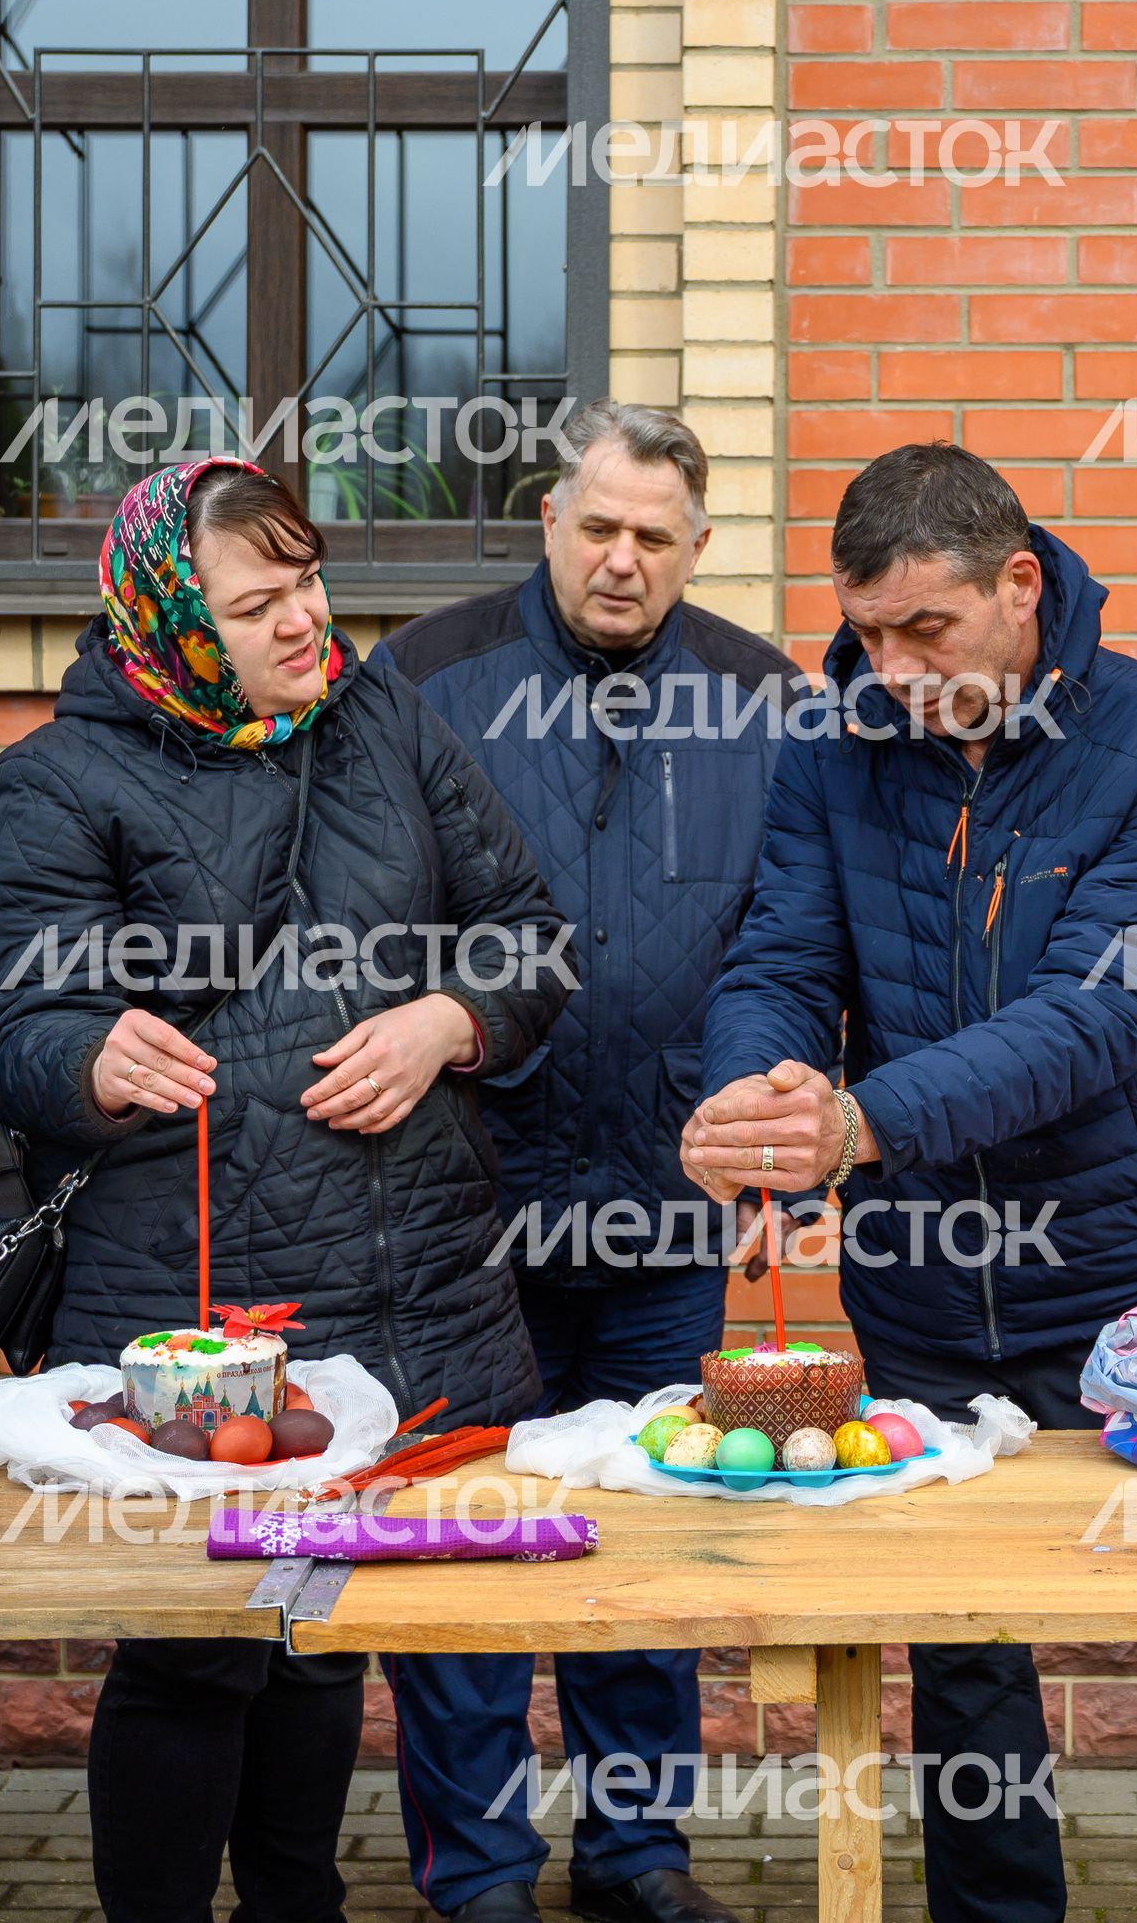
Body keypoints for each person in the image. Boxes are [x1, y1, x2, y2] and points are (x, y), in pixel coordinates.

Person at [679, 442, 1137, 1923]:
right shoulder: (830, 742)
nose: (895, 668)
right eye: (867, 633)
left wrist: (855, 1128)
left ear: (1019, 584)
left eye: (930, 630)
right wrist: (760, 1093)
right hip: (918, 1279)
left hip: (1133, 1276)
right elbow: (785, 959)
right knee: (964, 1652)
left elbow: (1106, 1012)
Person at [0, 455, 571, 1923]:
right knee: (192, 1649)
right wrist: (87, 1050)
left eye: (307, 579)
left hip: (394, 1267)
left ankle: (298, 1901)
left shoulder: (383, 721)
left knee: (317, 1624)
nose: (307, 619)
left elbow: (529, 930)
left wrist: (452, 1021)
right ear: (174, 621)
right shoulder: (60, 778)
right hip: (184, 1285)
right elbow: (15, 1025)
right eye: (259, 602)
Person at [380, 402, 794, 1923]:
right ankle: (478, 1866)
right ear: (549, 520)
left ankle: (640, 1854)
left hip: (666, 1213)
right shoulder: (422, 679)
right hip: (463, 1209)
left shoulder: (766, 699)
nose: (622, 561)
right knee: (469, 1541)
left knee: (649, 1534)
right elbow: (364, 921)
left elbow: (792, 938)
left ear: (696, 548)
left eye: (655, 538)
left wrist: (775, 1141)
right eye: (598, 527)